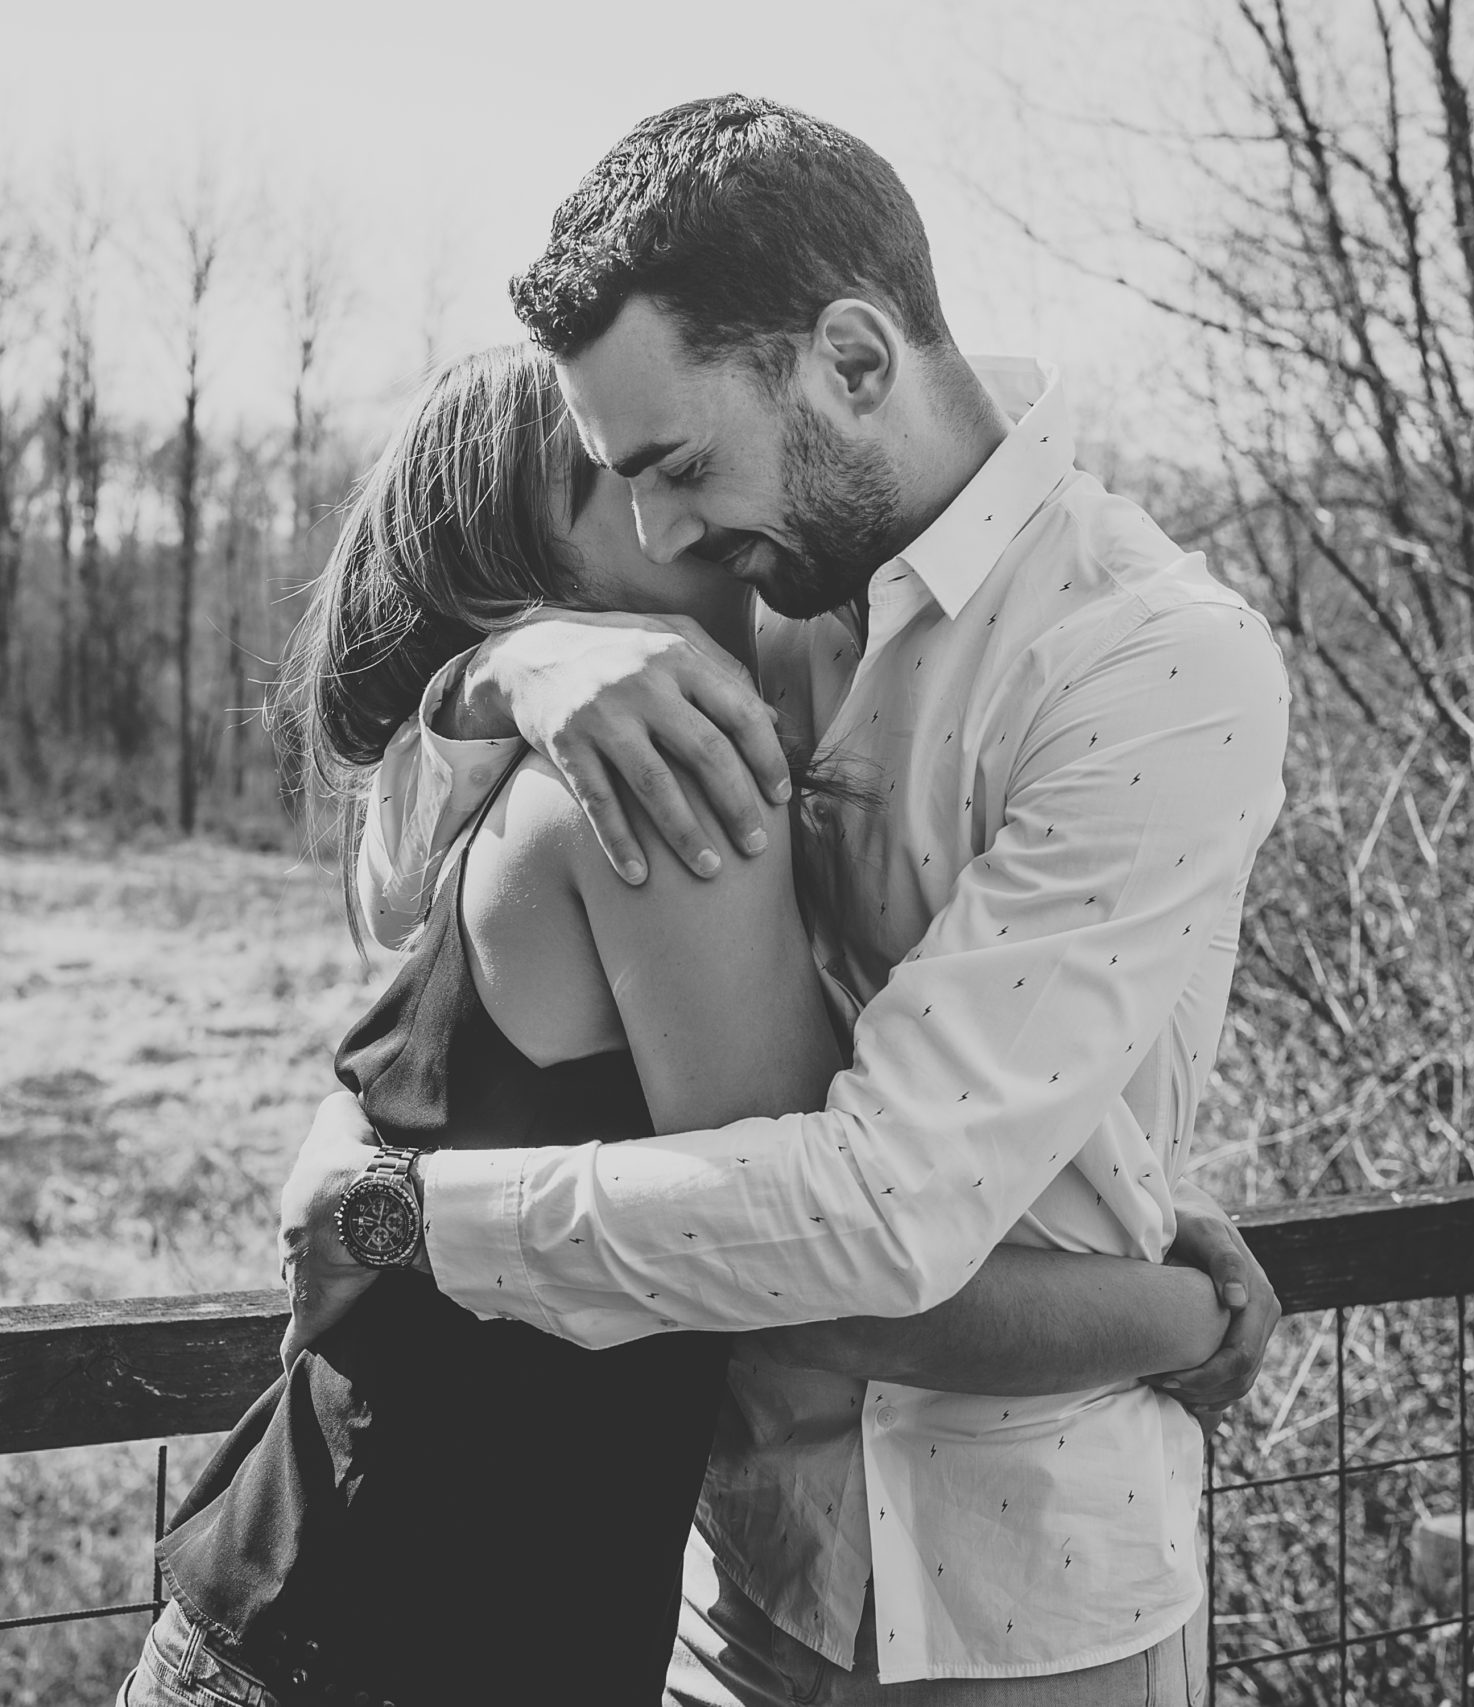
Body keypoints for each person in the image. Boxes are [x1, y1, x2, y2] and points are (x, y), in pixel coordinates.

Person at [281, 96, 1292, 1704]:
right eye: (629, 488)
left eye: (676, 469)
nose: (658, 530)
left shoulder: (1149, 658)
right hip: (735, 1578)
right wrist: (505, 662)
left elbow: (886, 1218)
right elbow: (417, 851)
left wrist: (411, 1219)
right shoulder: (757, 595)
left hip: (1024, 1616)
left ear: (855, 359)